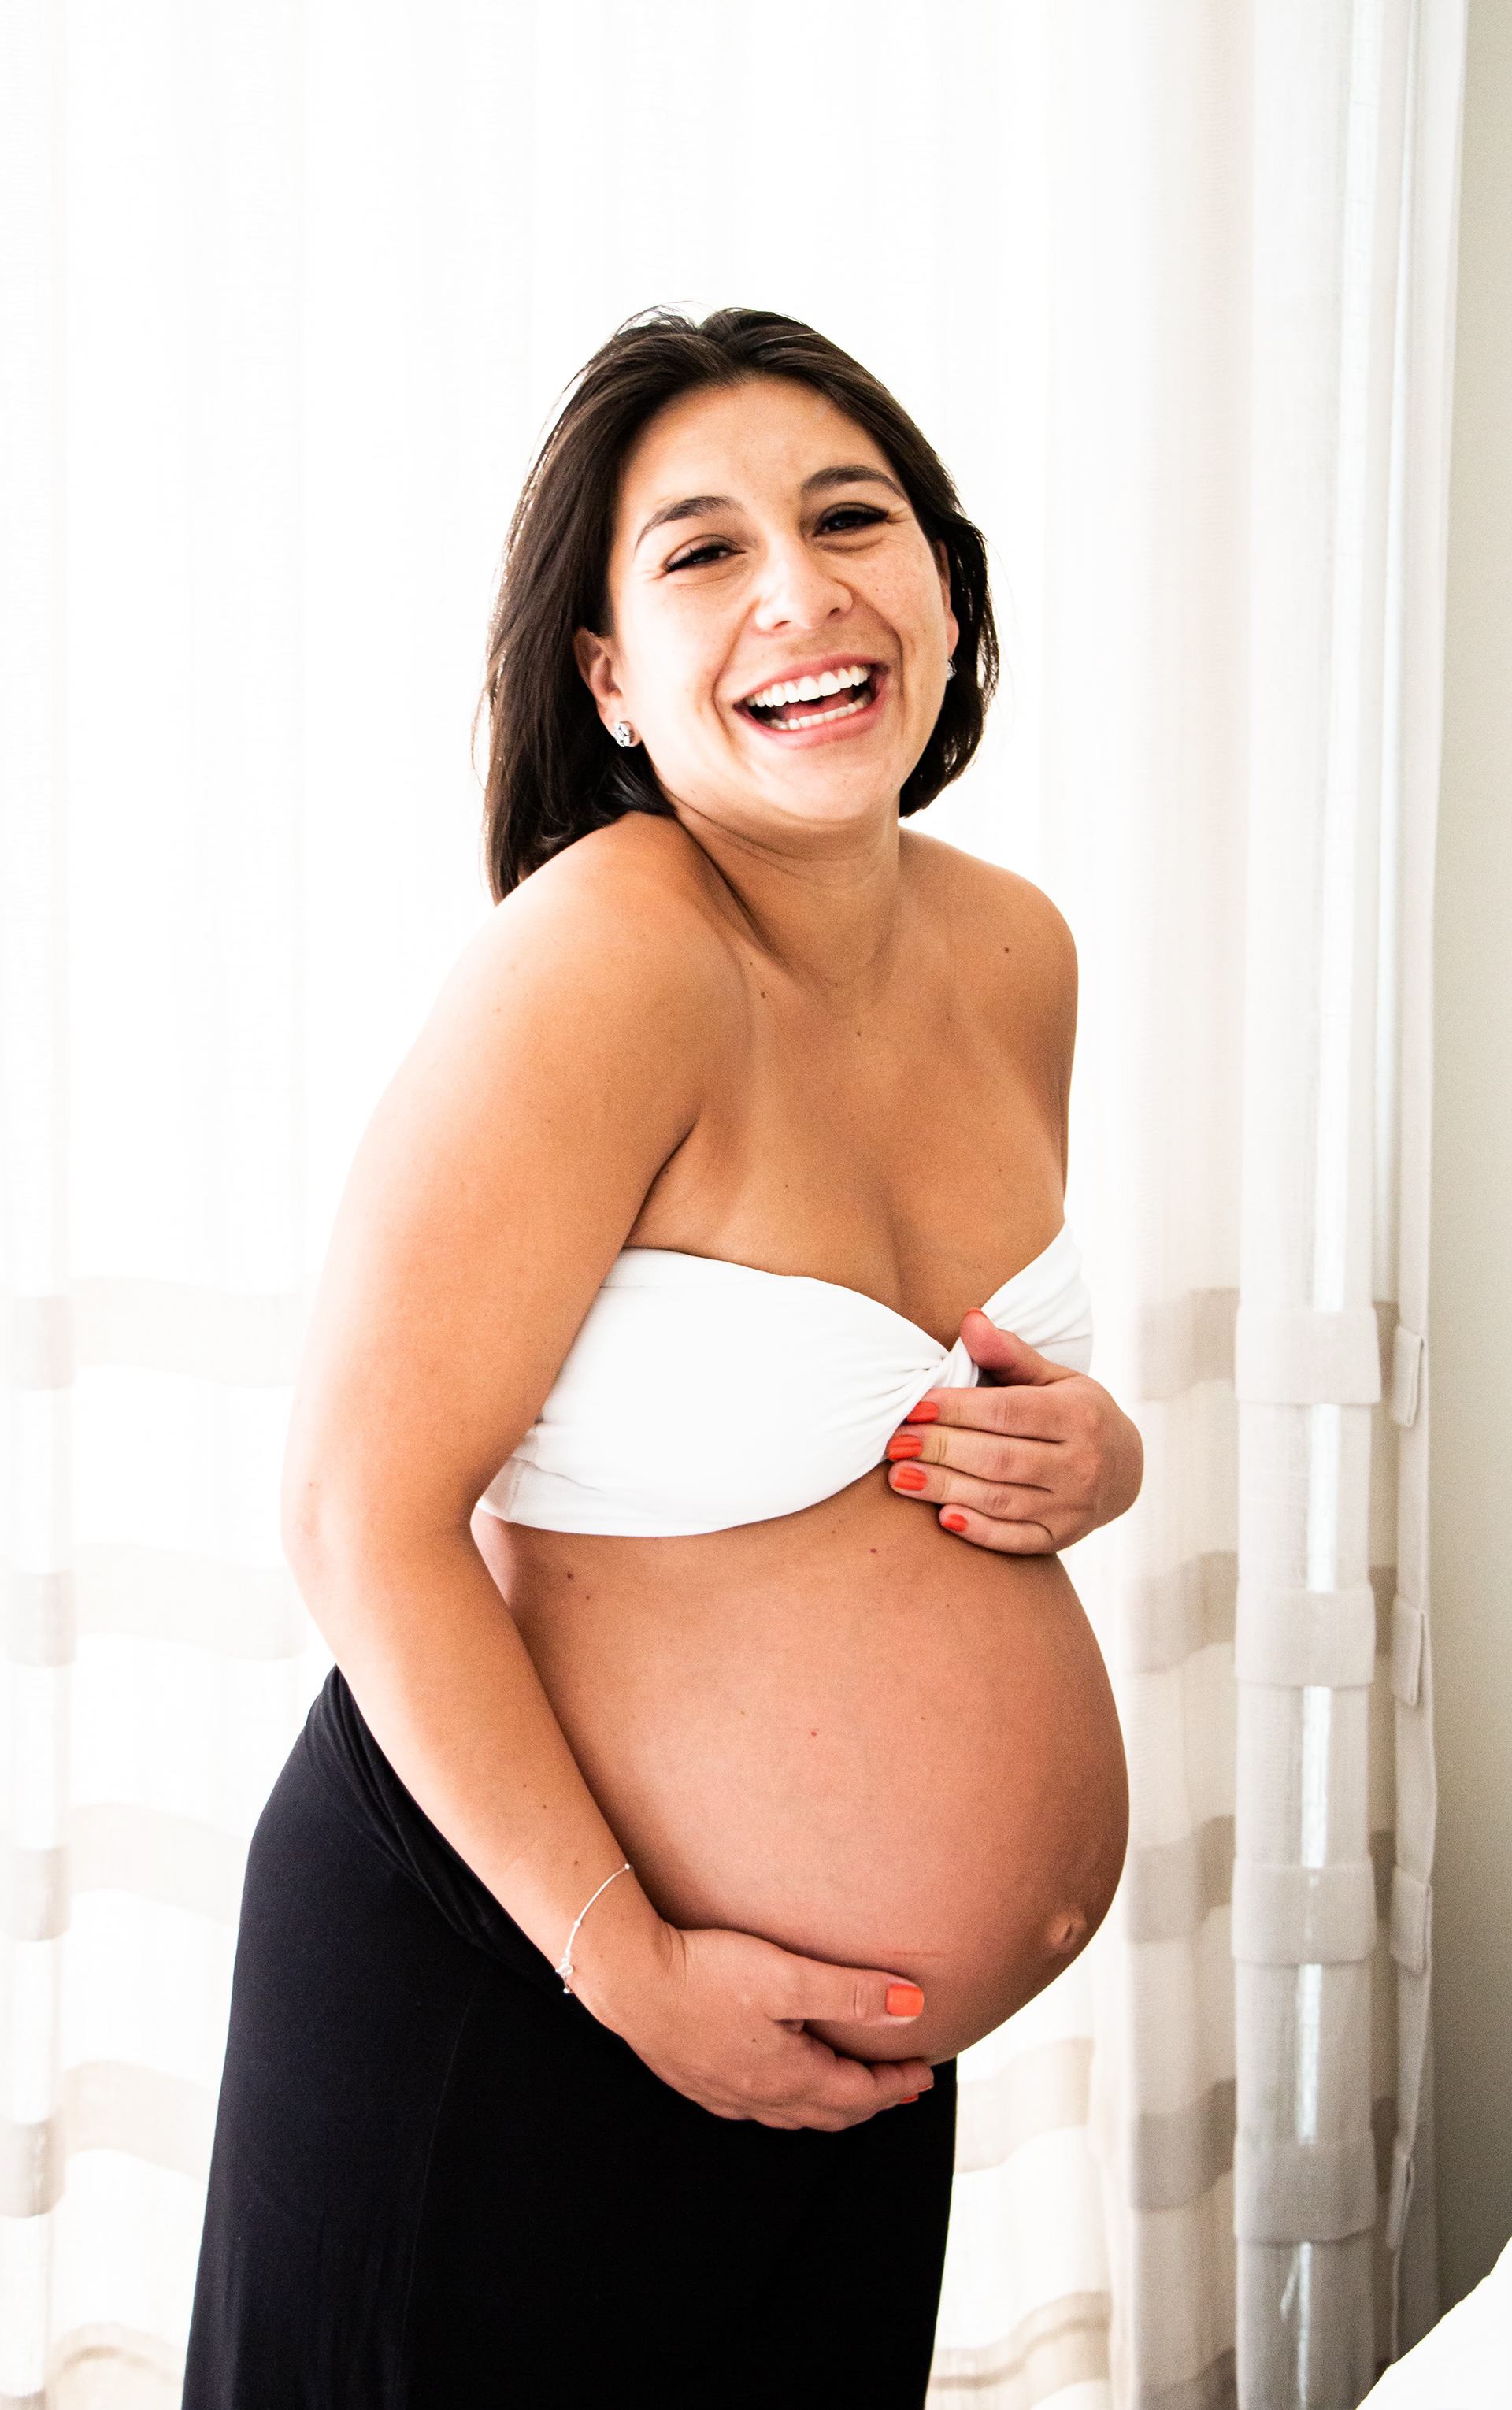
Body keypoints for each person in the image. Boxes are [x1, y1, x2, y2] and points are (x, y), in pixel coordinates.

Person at [183, 307, 1140, 2410]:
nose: (802, 589)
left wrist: (1092, 1455)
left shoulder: (1017, 950)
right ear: (609, 677)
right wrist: (627, 1965)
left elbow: (910, 1396)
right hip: (524, 1977)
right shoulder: (605, 955)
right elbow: (355, 1513)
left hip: (836, 2058)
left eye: (852, 519)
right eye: (705, 552)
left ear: (947, 592)